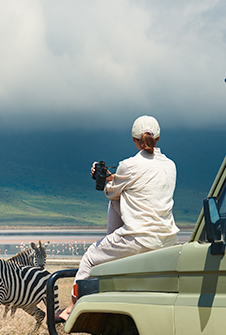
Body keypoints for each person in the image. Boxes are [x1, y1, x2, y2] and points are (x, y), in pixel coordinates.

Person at [56, 115, 179, 322]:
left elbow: (112, 193)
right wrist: (113, 177)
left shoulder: (128, 165)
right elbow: (138, 183)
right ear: (158, 139)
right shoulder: (171, 166)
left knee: (89, 258)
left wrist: (103, 177)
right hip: (167, 240)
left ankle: (69, 309)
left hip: (137, 239)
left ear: (134, 140)